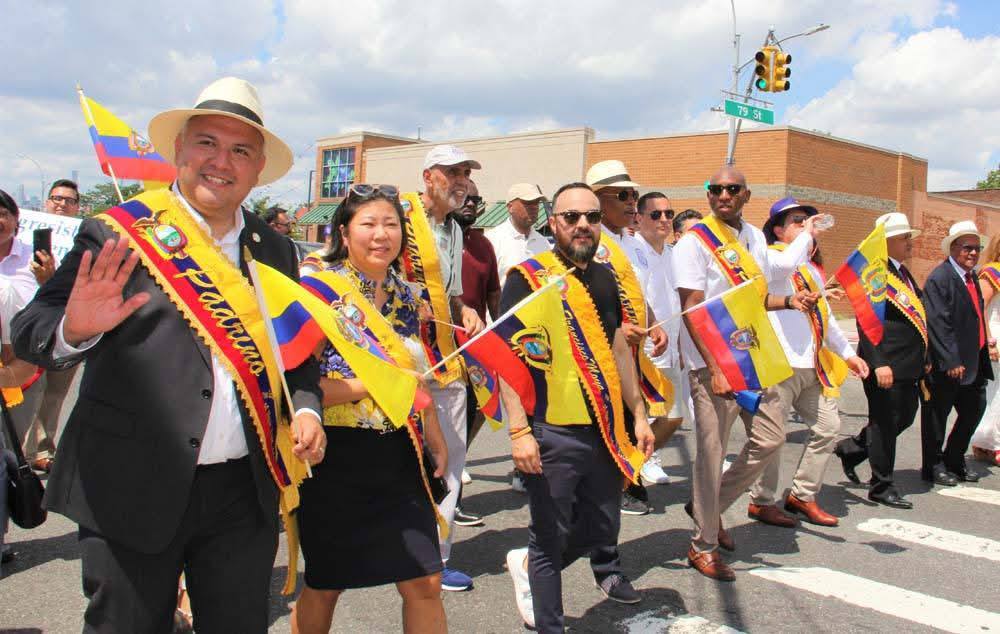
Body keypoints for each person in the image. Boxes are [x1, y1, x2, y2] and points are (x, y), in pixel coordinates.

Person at [11, 77, 326, 632]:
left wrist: (306, 408)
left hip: (242, 492)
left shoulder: (275, 248)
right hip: (131, 483)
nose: (221, 162)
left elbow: (293, 352)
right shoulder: (120, 232)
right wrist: (72, 330)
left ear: (258, 169)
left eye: (240, 151)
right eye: (207, 143)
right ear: (179, 149)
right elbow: (31, 327)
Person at [291, 185, 450, 634]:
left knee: (425, 580)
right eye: (369, 224)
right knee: (326, 581)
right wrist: (373, 384)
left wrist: (433, 430)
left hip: (400, 451)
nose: (382, 235)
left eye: (391, 224)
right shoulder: (318, 290)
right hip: (333, 455)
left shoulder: (406, 296)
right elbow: (298, 386)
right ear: (343, 233)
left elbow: (414, 373)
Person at [502, 182, 654, 632]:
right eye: (571, 217)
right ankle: (549, 620)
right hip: (551, 429)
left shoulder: (605, 278)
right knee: (549, 539)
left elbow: (619, 350)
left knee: (600, 529)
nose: (583, 224)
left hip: (605, 428)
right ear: (554, 223)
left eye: (591, 216)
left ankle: (526, 566)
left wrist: (639, 413)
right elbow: (506, 358)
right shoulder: (527, 278)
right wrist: (519, 431)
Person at [673, 166, 824, 581]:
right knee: (711, 454)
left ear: (746, 195)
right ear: (709, 195)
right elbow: (691, 308)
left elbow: (756, 298)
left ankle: (709, 507)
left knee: (771, 437)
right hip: (712, 363)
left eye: (732, 189)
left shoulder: (755, 237)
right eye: (716, 188)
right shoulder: (694, 242)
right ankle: (702, 546)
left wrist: (790, 301)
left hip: (753, 355)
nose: (723, 194)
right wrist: (716, 368)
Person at [747, 198, 868, 528]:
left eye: (807, 220)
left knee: (828, 427)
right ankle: (762, 500)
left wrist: (848, 354)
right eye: (797, 221)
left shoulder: (810, 270)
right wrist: (807, 235)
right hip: (779, 364)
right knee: (774, 436)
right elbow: (783, 267)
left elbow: (825, 318)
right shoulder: (770, 256)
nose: (805, 226)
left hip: (811, 364)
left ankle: (802, 494)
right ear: (777, 230)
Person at [399, 144, 486, 592]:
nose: (461, 181)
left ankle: (437, 557)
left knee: (449, 461)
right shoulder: (398, 216)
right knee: (399, 461)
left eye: (465, 173)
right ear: (428, 176)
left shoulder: (454, 229)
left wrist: (464, 309)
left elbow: (449, 293)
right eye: (452, 172)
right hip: (403, 361)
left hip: (447, 361)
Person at [834, 213, 927, 508]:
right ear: (886, 243)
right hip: (887, 364)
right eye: (904, 237)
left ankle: (853, 449)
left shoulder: (903, 273)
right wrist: (879, 362)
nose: (910, 242)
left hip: (908, 364)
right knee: (885, 424)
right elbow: (866, 321)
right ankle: (881, 486)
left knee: (904, 417)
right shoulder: (876, 273)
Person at [920, 220, 993, 485]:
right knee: (937, 417)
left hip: (974, 361)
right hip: (948, 363)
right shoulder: (941, 278)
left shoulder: (971, 276)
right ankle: (933, 466)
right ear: (952, 248)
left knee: (974, 409)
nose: (973, 253)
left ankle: (954, 459)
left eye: (977, 248)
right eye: (967, 247)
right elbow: (939, 322)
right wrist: (951, 359)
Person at [454, 180, 500, 527]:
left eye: (475, 198)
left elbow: (493, 294)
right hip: (437, 349)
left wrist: (505, 337)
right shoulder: (425, 240)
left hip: (475, 349)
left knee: (479, 410)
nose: (470, 203)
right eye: (463, 197)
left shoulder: (483, 245)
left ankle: (450, 491)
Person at [633, 192, 686, 486]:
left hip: (671, 349)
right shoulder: (631, 250)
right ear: (639, 218)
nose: (664, 219)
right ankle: (641, 467)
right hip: (643, 350)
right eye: (656, 214)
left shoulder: (673, 254)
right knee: (644, 414)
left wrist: (680, 344)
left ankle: (640, 460)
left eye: (669, 214)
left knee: (674, 415)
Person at [0, 189, 55, 472]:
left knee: (9, 443)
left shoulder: (34, 260)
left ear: (15, 218)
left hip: (22, 360)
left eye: (3, 214)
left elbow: (58, 304)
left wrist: (48, 281)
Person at [485, 183, 549, 287]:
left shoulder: (543, 242)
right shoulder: (491, 240)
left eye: (536, 203)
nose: (534, 207)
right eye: (528, 203)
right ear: (510, 207)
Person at [972, 234, 1000, 466]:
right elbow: (980, 306)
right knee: (994, 392)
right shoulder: (992, 272)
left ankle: (989, 442)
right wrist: (989, 340)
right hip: (995, 336)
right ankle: (988, 443)